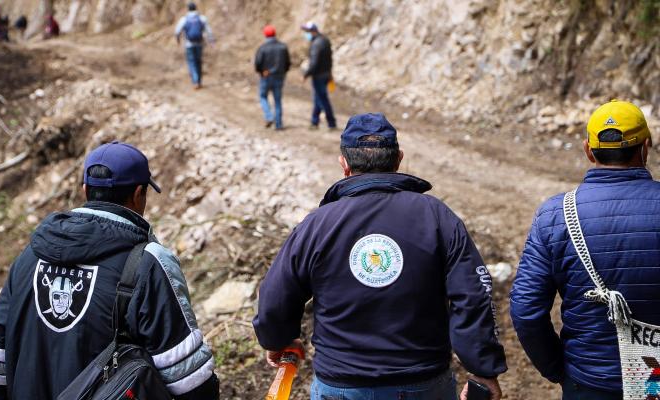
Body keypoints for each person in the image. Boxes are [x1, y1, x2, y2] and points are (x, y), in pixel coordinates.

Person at [254, 113, 507, 400]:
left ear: (344, 164)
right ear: (398, 159)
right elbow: (474, 294)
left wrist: (278, 339)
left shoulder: (317, 225)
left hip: (341, 386)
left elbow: (275, 294)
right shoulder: (437, 217)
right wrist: (483, 370)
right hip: (423, 383)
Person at [0, 142, 219, 399]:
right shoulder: (146, 263)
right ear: (139, 194)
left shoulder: (28, 257)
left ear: (85, 190)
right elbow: (192, 383)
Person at [511, 99, 660, 399]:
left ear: (588, 151)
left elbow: (526, 310)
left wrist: (557, 368)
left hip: (588, 381)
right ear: (646, 147)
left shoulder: (555, 215)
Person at [301, 21, 336, 130]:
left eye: (306, 32)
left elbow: (314, 63)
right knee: (318, 98)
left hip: (318, 76)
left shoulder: (316, 44)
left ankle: (331, 123)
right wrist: (330, 73)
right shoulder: (325, 40)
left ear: (312, 31)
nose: (305, 34)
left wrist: (306, 74)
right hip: (326, 74)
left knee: (322, 99)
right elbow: (330, 59)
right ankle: (314, 121)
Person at [254, 25, 290, 130]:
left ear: (265, 35)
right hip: (279, 76)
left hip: (266, 76)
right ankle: (279, 124)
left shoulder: (263, 48)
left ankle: (269, 116)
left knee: (262, 96)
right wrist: (283, 72)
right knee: (277, 101)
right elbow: (287, 63)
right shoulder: (283, 47)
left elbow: (258, 63)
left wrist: (261, 72)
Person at [174, 2, 215, 90]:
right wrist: (211, 41)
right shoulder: (201, 18)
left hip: (189, 44)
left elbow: (177, 31)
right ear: (196, 8)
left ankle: (195, 81)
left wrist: (178, 41)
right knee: (198, 62)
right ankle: (199, 81)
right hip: (200, 43)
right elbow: (209, 31)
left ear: (188, 9)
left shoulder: (184, 19)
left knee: (192, 62)